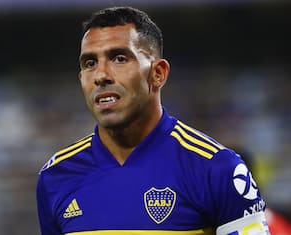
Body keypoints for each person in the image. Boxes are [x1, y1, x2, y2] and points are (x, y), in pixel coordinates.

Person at [37, 6, 270, 235]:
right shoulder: (56, 176)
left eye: (119, 58)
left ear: (158, 73)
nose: (100, 75)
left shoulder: (216, 168)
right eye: (90, 63)